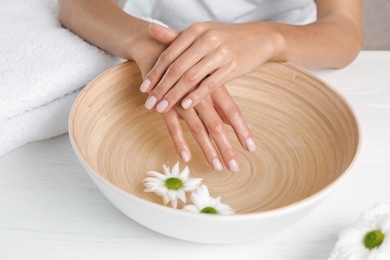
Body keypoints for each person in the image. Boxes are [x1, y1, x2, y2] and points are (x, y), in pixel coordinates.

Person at [58, 0, 363, 173]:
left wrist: (270, 38)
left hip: (289, 51)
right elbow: (75, 5)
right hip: (154, 37)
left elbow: (345, 32)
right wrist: (147, 43)